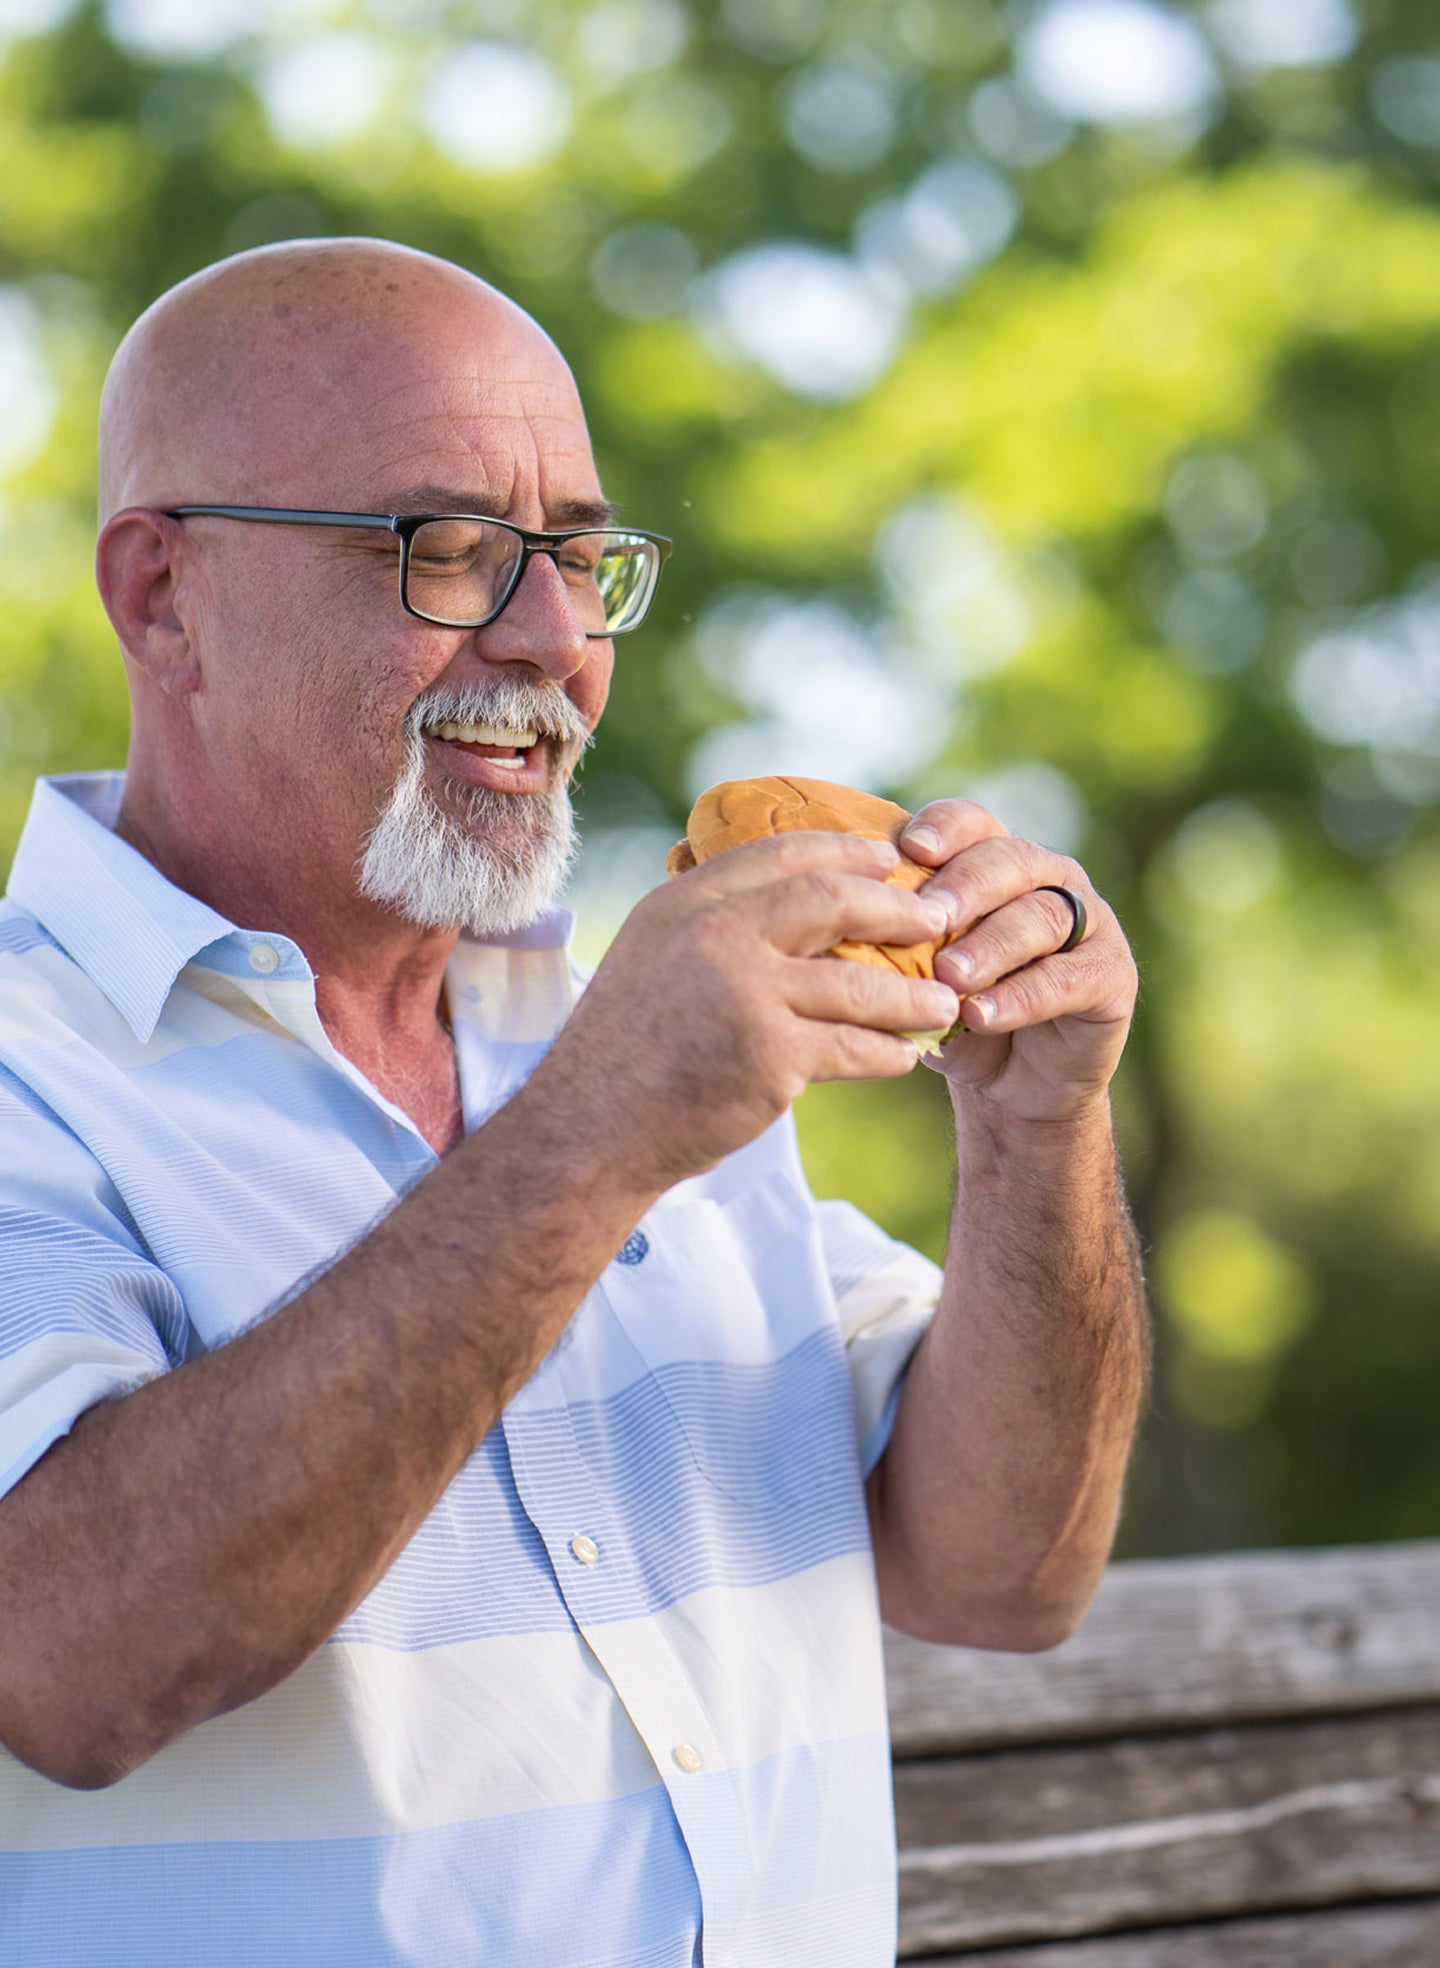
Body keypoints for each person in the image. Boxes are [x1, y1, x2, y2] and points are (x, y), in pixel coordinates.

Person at [0, 238, 1147, 1967]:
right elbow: (68, 1657)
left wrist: (1038, 1130)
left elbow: (1005, 1575)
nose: (553, 640)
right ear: (163, 593)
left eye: (582, 557)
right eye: (446, 551)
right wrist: (595, 1141)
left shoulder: (602, 1026)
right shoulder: (40, 1061)